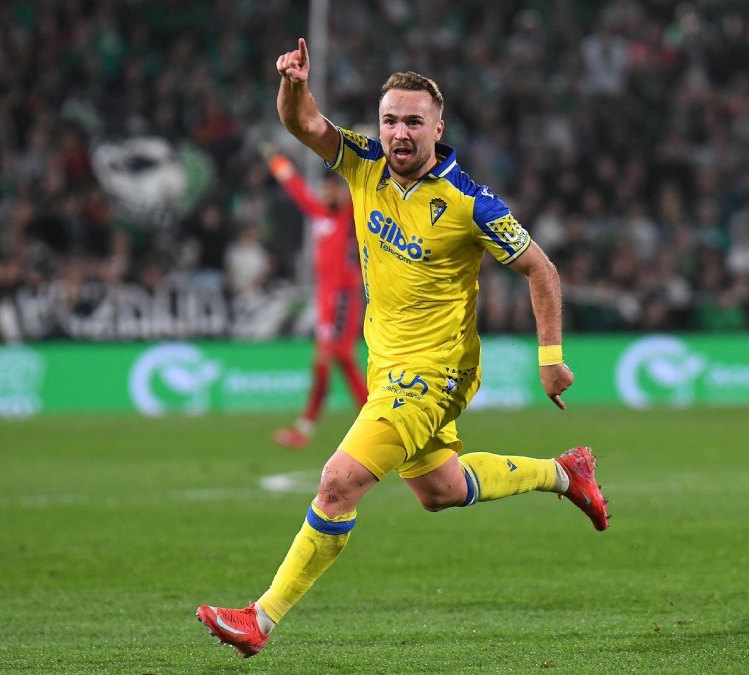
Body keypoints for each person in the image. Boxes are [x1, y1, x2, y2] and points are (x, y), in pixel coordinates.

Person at [196, 38, 610, 657]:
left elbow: (541, 270)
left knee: (337, 483)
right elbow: (303, 124)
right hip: (386, 367)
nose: (399, 133)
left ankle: (260, 618)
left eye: (413, 122)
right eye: (389, 120)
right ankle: (564, 472)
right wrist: (293, 84)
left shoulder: (471, 202)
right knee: (441, 490)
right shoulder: (363, 163)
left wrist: (550, 359)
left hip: (435, 374)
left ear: (438, 128)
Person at [265, 147, 369, 449]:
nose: (327, 194)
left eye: (332, 189)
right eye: (324, 189)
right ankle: (370, 421)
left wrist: (366, 152)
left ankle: (307, 427)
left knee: (333, 359)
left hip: (343, 299)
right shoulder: (319, 213)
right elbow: (296, 188)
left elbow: (362, 187)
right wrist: (277, 160)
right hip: (326, 301)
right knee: (340, 361)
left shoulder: (349, 215)